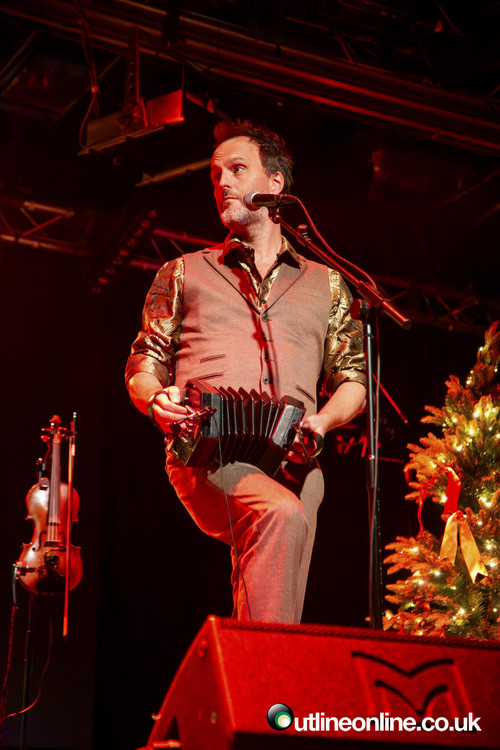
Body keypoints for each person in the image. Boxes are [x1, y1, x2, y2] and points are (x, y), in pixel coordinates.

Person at [125, 120, 366, 623]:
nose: (222, 183)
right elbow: (145, 360)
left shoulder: (328, 283)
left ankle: (259, 666)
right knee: (280, 515)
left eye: (236, 169)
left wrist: (323, 421)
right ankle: (268, 670)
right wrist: (156, 399)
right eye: (216, 176)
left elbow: (352, 380)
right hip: (207, 450)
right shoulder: (184, 271)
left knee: (278, 588)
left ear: (275, 184)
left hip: (296, 460)